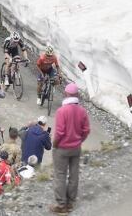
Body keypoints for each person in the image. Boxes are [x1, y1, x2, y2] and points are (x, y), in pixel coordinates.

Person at [51, 82, 91, 214]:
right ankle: (71, 202)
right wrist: (80, 140)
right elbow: (86, 130)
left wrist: (55, 144)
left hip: (62, 148)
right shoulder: (82, 111)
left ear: (66, 94)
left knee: (60, 175)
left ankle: (61, 205)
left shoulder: (61, 111)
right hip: (76, 147)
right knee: (74, 174)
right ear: (77, 95)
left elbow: (59, 132)